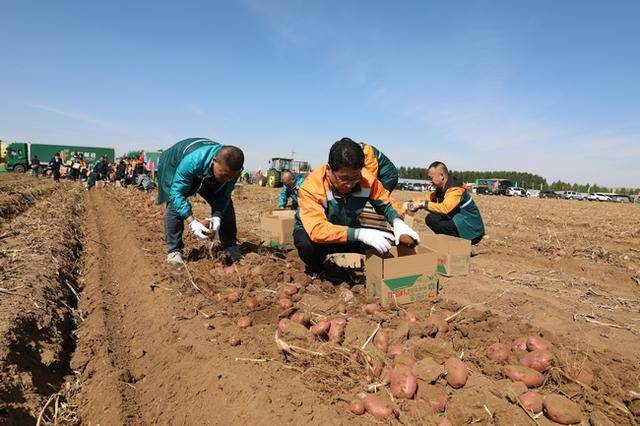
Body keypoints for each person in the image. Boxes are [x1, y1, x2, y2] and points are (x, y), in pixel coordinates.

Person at [294, 138, 419, 274]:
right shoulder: (311, 186)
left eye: (355, 178)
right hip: (321, 238)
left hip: (350, 233)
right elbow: (318, 230)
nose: (349, 184)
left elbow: (386, 202)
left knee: (390, 240)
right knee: (306, 246)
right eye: (344, 178)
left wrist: (397, 221)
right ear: (329, 169)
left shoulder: (366, 179)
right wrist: (359, 234)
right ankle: (318, 269)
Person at [157, 137, 244, 266]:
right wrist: (191, 221)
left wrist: (217, 216)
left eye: (231, 177)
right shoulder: (192, 161)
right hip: (174, 164)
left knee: (227, 205)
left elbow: (224, 195)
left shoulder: (232, 170)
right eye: (224, 174)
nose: (228, 179)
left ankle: (229, 245)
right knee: (174, 203)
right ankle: (174, 251)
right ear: (214, 161)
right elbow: (177, 193)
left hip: (206, 173)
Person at [407, 161, 484, 245]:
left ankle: (458, 246)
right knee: (432, 218)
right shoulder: (441, 189)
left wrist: (423, 204)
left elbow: (445, 208)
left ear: (441, 176)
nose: (430, 182)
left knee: (433, 219)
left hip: (472, 231)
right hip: (461, 224)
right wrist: (413, 202)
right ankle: (450, 245)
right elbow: (428, 198)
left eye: (431, 178)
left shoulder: (455, 190)